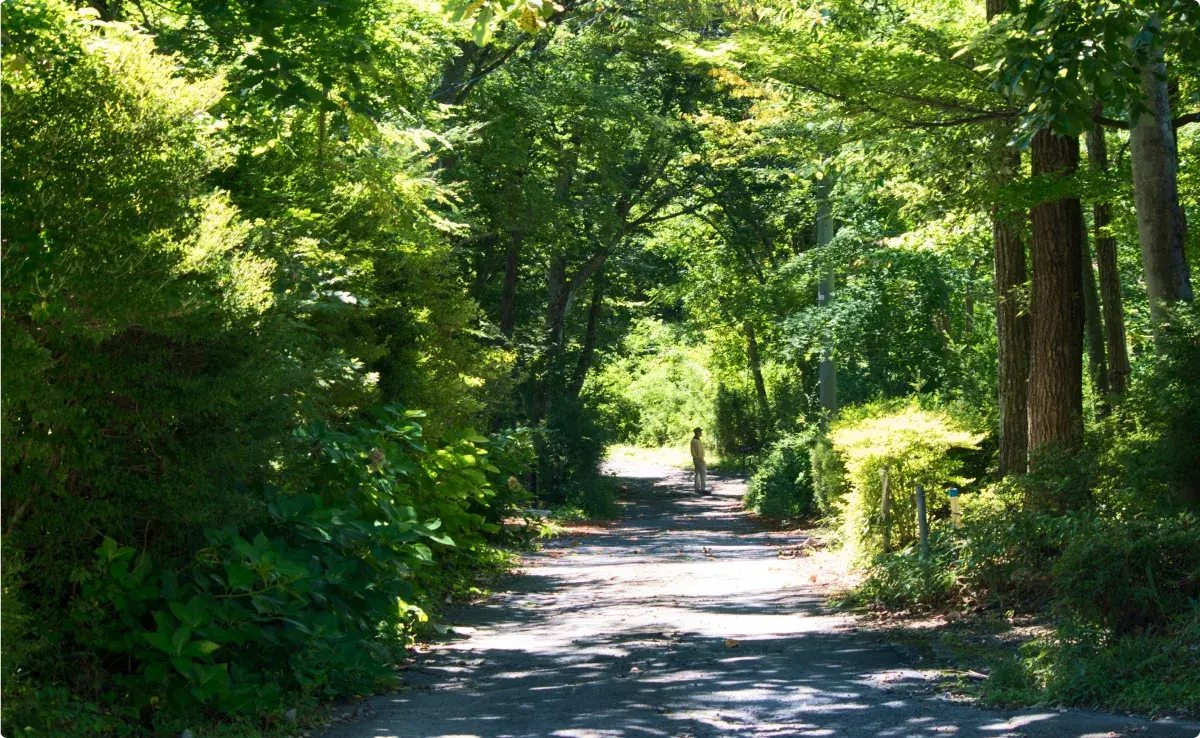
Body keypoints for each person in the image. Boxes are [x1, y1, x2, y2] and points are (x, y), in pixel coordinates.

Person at [690, 427, 708, 495]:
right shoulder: (696, 440)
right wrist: (702, 459)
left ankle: (696, 488)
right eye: (700, 431)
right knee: (703, 473)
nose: (701, 433)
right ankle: (703, 489)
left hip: (696, 459)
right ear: (697, 432)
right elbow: (699, 451)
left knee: (697, 473)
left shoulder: (695, 440)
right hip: (699, 459)